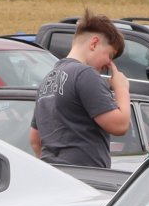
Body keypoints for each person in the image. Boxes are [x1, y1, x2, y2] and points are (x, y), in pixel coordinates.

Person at [29, 10, 131, 168]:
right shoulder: (85, 74)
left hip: (54, 175)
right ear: (94, 43)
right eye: (110, 55)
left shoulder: (48, 79)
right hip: (86, 176)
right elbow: (119, 125)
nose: (108, 65)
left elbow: (35, 139)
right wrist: (121, 88)